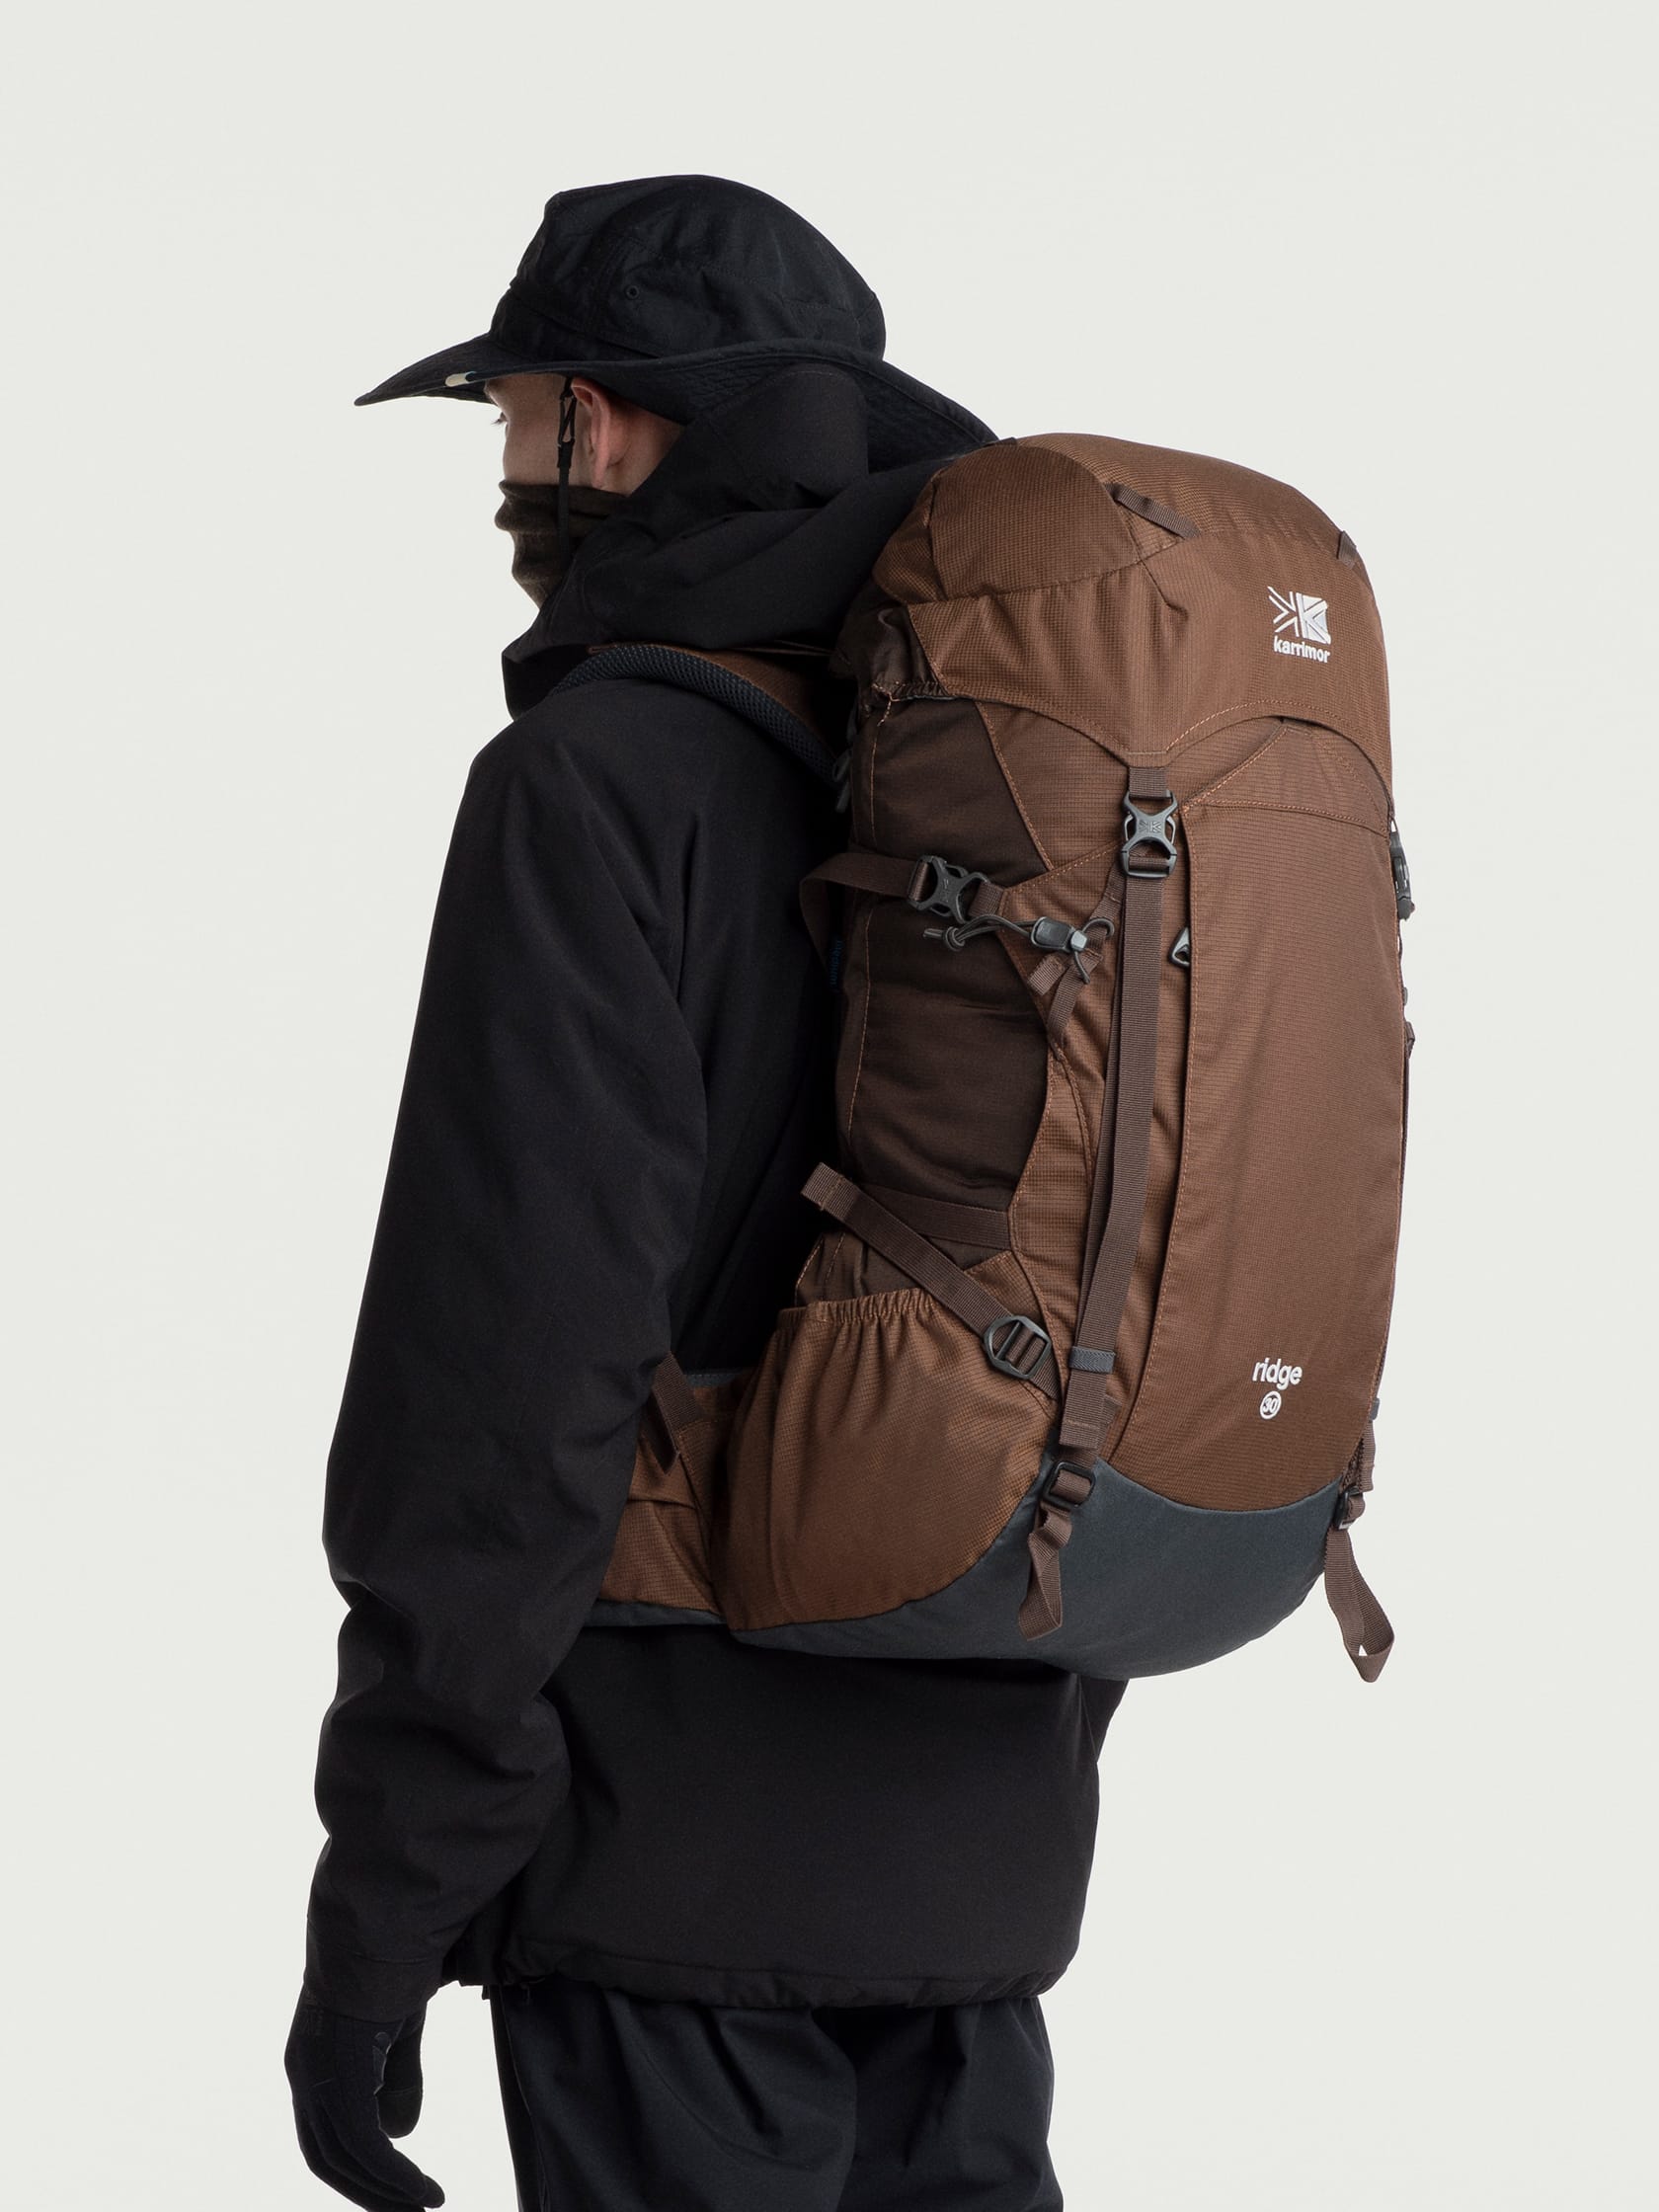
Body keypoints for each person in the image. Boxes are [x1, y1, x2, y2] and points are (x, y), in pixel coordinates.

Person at [285, 174, 1127, 2212]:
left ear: (600, 424)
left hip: (660, 1874)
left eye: (513, 418)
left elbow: (500, 1390)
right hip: (984, 1844)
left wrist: (390, 1890)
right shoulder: (1021, 775)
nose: (505, 473)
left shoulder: (594, 783)